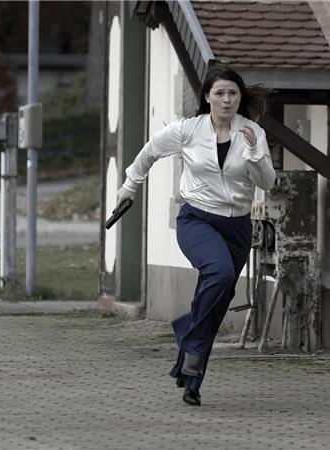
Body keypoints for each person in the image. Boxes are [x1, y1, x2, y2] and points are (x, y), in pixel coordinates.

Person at [115, 66, 276, 406]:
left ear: (240, 97)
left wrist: (255, 153)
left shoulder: (252, 132)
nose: (227, 99)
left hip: (237, 225)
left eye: (232, 93)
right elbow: (151, 150)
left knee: (217, 299)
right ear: (207, 97)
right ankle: (186, 337)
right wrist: (130, 185)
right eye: (220, 93)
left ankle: (191, 378)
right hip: (197, 219)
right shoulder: (188, 130)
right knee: (220, 274)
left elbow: (267, 182)